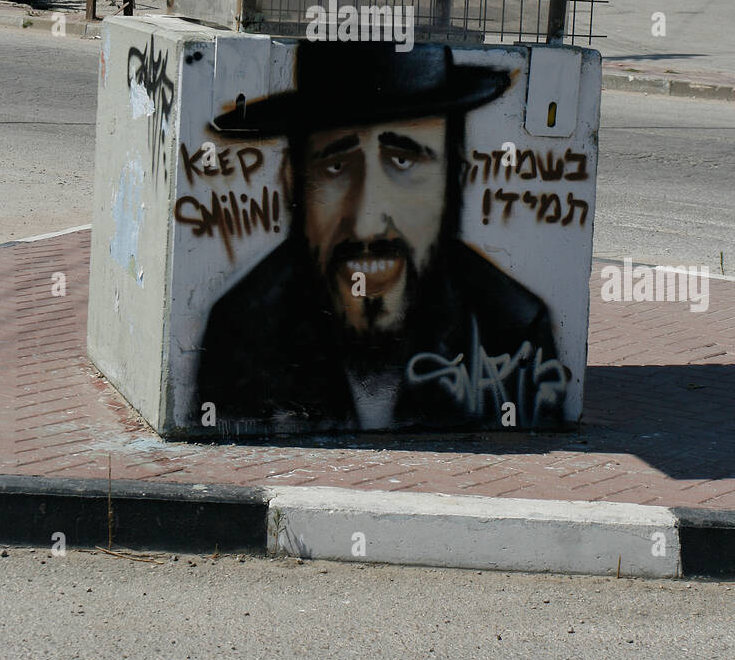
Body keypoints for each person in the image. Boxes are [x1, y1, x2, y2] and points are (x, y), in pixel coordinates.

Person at [195, 42, 568, 432]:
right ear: (293, 183)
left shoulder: (513, 329)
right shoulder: (243, 333)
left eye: (403, 161)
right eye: (336, 166)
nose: (366, 225)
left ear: (453, 179)